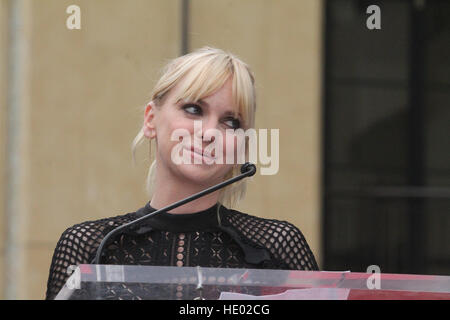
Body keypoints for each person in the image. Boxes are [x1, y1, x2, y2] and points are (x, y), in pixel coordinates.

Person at [45, 47, 318, 300]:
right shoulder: (91, 246)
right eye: (193, 109)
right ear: (151, 119)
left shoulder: (277, 246)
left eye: (231, 122)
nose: (210, 132)